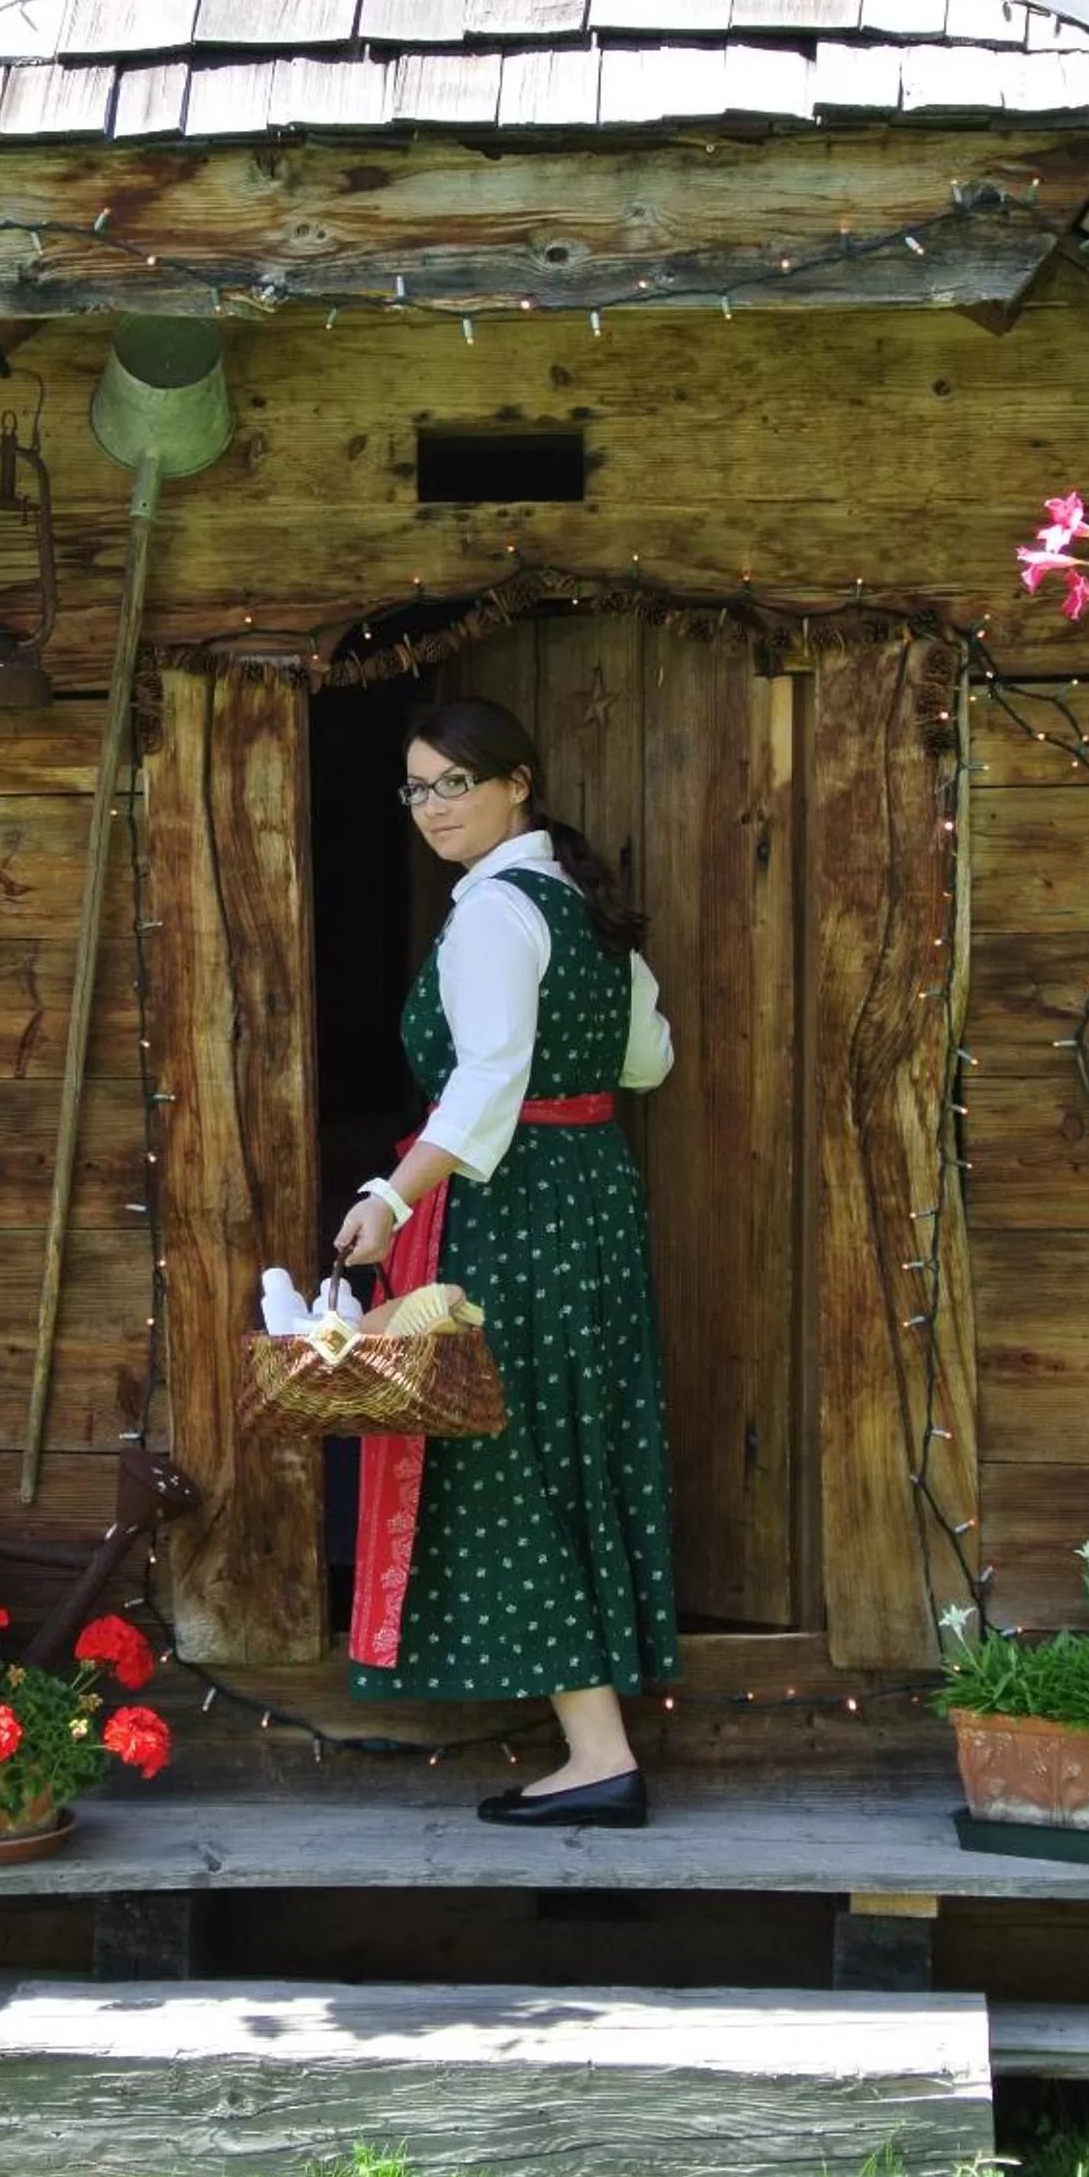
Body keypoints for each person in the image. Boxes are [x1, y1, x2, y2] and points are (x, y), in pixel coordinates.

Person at [332, 695, 679, 1826]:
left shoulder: (492, 912)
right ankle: (599, 1745)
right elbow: (646, 1061)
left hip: (510, 1206)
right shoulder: (583, 902)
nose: (434, 807)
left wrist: (392, 1195)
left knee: (506, 1447)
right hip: (591, 1196)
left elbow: (488, 1077)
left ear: (517, 783)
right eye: (417, 788)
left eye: (457, 783)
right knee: (566, 1441)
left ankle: (600, 1755)